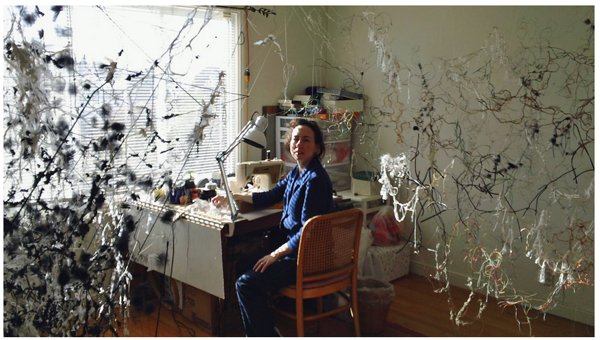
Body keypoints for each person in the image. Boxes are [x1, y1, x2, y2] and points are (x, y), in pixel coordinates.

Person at [212, 118, 333, 336]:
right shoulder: (297, 173)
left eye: (306, 140)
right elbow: (269, 197)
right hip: (292, 251)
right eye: (296, 139)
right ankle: (264, 327)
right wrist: (232, 196)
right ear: (289, 144)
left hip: (303, 258)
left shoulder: (315, 180)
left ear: (317, 148)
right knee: (241, 266)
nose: (299, 144)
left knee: (246, 284)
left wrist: (275, 255)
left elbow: (307, 230)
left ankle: (264, 334)